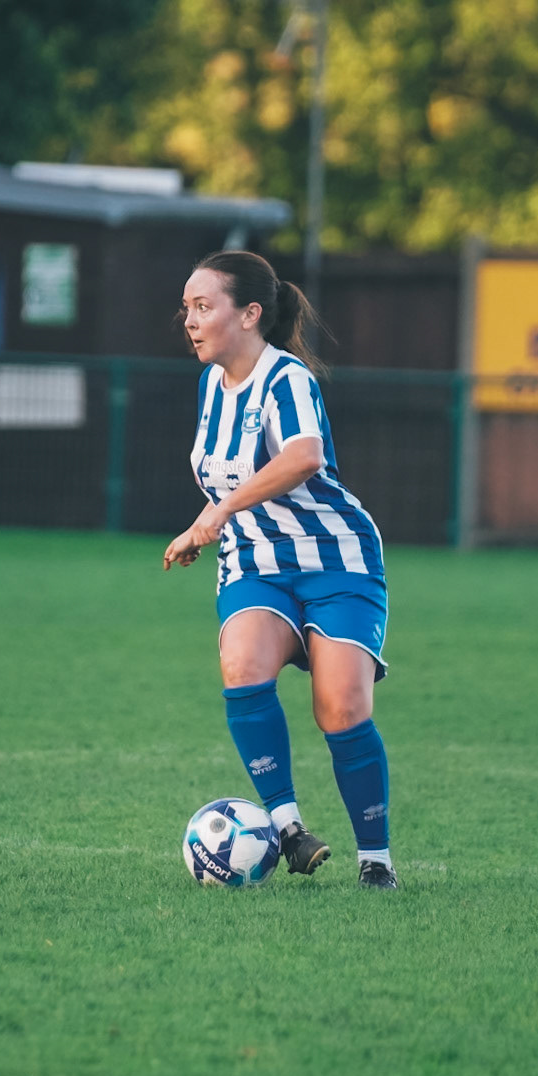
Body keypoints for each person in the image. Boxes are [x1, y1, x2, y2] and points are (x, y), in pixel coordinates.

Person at [162, 250, 399, 890]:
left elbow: (302, 458)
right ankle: (289, 830)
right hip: (256, 562)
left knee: (341, 710)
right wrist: (200, 525)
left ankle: (376, 862)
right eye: (186, 308)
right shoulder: (212, 385)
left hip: (335, 560)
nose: (190, 320)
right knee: (242, 666)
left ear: (249, 315)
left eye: (203, 306)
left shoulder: (286, 378)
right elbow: (230, 482)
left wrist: (219, 514)